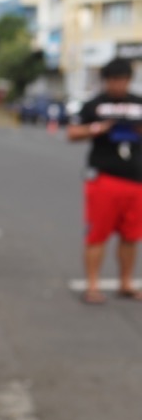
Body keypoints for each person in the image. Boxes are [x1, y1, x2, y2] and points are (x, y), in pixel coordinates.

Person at [66, 57, 142, 305]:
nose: (118, 85)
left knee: (131, 235)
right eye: (113, 81)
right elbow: (72, 133)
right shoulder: (94, 105)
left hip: (135, 179)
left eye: (123, 80)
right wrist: (99, 129)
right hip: (104, 178)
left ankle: (126, 282)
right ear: (105, 81)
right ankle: (92, 285)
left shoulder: (138, 104)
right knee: (97, 234)